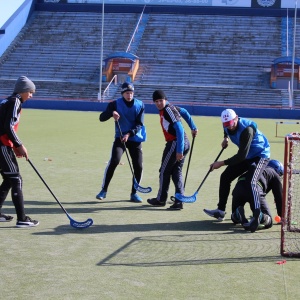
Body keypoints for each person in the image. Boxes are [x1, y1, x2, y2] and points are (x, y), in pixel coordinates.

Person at [203, 108, 270, 232]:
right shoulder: (227, 125)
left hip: (259, 155)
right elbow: (226, 129)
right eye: (226, 125)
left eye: (231, 124)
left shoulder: (247, 130)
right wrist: (226, 138)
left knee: (251, 181)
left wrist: (221, 163)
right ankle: (220, 211)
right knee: (225, 176)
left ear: (236, 118)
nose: (229, 127)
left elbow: (241, 156)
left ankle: (257, 215)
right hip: (247, 155)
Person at [96, 82, 146, 203]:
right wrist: (111, 113)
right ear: (123, 93)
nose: (129, 95)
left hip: (134, 138)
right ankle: (104, 190)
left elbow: (139, 124)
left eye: (131, 93)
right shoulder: (114, 104)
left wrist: (129, 134)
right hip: (120, 138)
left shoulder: (140, 105)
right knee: (114, 161)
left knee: (138, 166)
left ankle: (134, 193)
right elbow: (101, 118)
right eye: (127, 93)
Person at [147, 90, 198, 210]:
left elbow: (179, 129)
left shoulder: (168, 110)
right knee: (176, 171)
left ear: (165, 99)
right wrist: (193, 127)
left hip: (176, 143)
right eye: (156, 101)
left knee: (164, 170)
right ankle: (179, 201)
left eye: (161, 100)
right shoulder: (171, 107)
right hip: (183, 142)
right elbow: (184, 112)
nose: (159, 103)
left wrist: (179, 151)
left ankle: (161, 199)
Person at [0, 76, 39, 227]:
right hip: (2, 145)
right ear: (23, 90)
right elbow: (8, 127)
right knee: (16, 179)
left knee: (9, 179)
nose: (31, 95)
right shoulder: (15, 101)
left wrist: (15, 146)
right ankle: (22, 219)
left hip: (4, 144)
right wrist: (19, 145)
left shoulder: (7, 100)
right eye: (30, 92)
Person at [231, 159, 283, 232]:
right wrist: (282, 216)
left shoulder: (257, 168)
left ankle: (236, 214)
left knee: (234, 218)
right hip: (255, 189)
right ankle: (261, 217)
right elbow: (279, 198)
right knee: (269, 222)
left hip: (239, 188)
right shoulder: (274, 174)